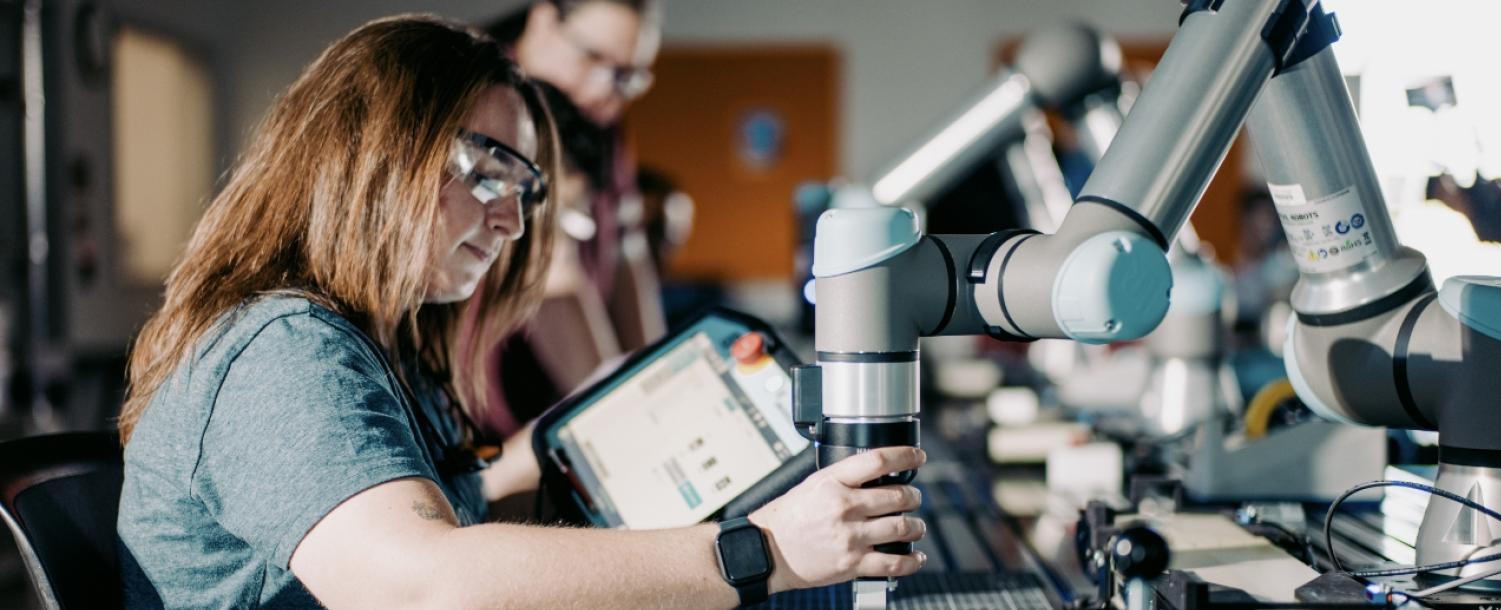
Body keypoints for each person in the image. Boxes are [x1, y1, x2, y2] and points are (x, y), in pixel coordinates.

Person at [115, 16, 926, 609]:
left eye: (524, 192)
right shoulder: (280, 353)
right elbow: (423, 585)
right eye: (487, 174)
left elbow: (451, 520)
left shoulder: (383, 349)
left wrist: (568, 442)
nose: (509, 222)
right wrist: (766, 550)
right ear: (377, 149)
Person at [480, 0, 668, 435]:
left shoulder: (597, 114)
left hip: (568, 385)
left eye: (626, 77)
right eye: (592, 57)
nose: (605, 89)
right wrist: (624, 421)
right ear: (544, 20)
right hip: (496, 399)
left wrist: (658, 384)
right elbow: (553, 273)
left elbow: (627, 249)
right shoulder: (486, 97)